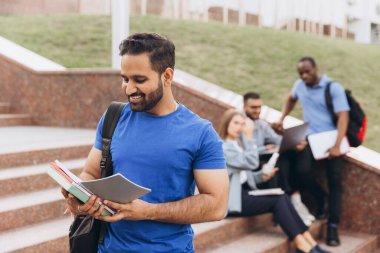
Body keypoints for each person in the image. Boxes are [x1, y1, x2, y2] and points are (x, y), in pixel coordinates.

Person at [61, 32, 229, 252]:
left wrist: (148, 211)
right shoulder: (113, 116)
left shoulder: (200, 133)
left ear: (167, 76)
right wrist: (79, 198)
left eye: (139, 80)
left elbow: (217, 206)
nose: (129, 89)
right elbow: (91, 173)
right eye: (125, 79)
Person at [219, 109, 330, 253]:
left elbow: (243, 176)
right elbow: (251, 163)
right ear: (226, 123)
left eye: (241, 124)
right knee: (277, 200)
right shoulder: (223, 147)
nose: (239, 127)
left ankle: (311, 243)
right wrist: (249, 136)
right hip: (233, 200)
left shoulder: (236, 145)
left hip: (244, 193)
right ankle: (303, 246)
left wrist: (262, 176)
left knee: (282, 196)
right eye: (235, 123)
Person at [273, 56, 350, 246]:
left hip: (332, 139)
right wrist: (282, 117)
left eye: (307, 71)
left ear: (315, 68)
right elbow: (291, 99)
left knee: (335, 181)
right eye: (301, 73)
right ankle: (319, 197)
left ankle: (332, 227)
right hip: (310, 138)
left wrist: (337, 145)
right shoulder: (299, 85)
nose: (304, 75)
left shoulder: (333, 87)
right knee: (300, 170)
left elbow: (343, 117)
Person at [243, 92, 316, 226]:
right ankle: (291, 202)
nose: (257, 110)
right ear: (244, 107)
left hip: (265, 161)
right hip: (248, 166)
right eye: (253, 107)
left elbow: (278, 140)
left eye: (259, 107)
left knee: (289, 154)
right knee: (281, 159)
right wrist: (263, 149)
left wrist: (295, 142)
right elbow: (238, 151)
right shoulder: (237, 123)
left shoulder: (261, 124)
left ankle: (294, 198)